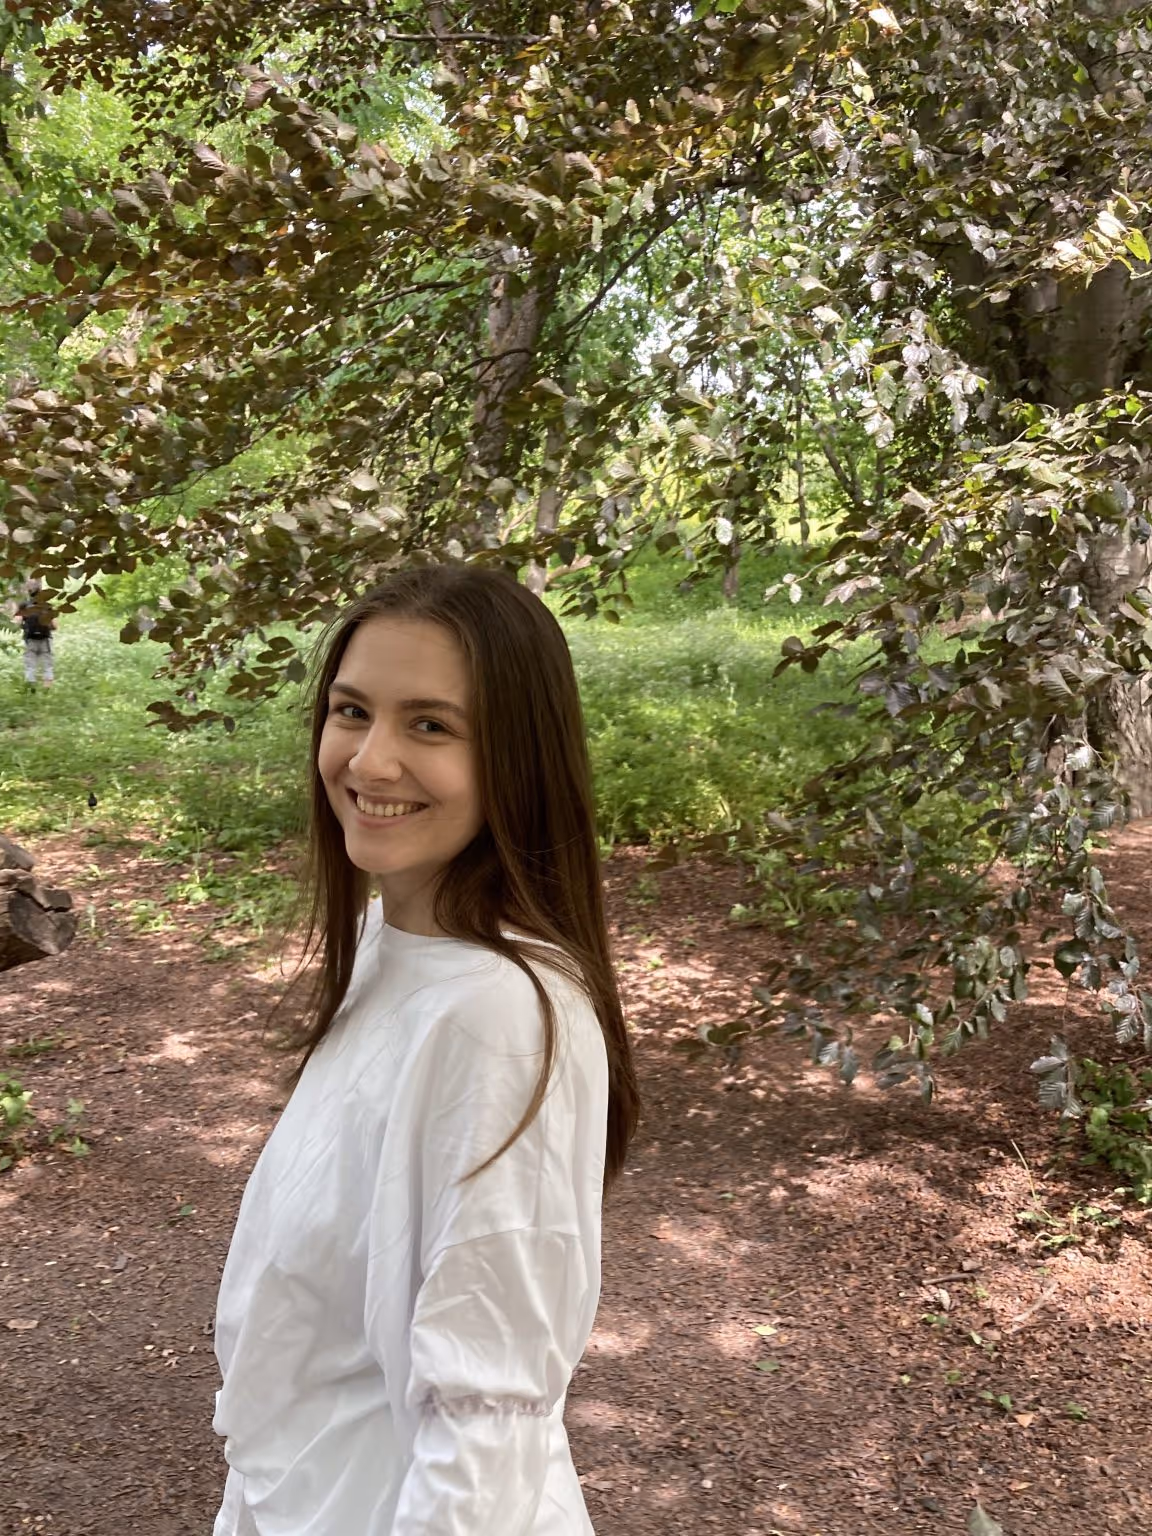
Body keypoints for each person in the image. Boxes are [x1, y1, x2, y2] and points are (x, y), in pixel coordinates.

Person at [212, 565, 640, 1536]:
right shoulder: (390, 948)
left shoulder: (499, 1016)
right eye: (351, 711)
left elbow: (486, 1424)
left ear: (517, 760)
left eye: (431, 725)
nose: (369, 760)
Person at [15, 579, 54, 687]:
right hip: (45, 639)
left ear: (28, 591)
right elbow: (55, 625)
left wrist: (24, 626)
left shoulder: (24, 605)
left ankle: (31, 688)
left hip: (30, 639)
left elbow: (17, 622)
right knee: (47, 665)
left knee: (30, 665)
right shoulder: (47, 606)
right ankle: (47, 690)